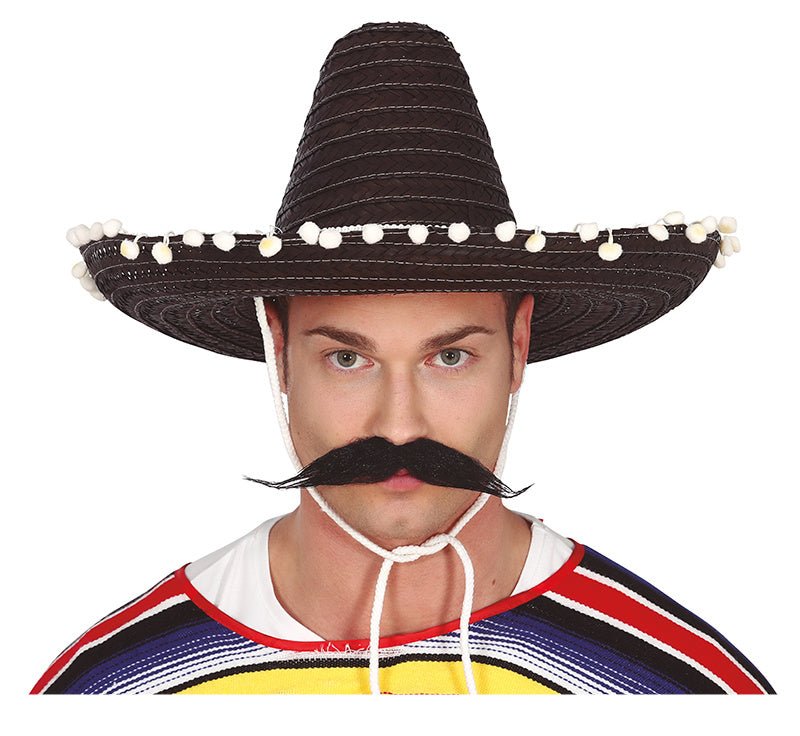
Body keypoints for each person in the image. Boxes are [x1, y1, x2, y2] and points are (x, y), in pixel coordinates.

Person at [32, 21, 772, 695]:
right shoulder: (116, 690)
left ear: (517, 349)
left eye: (449, 357)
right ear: (278, 352)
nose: (398, 422)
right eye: (345, 359)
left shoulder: (669, 687)